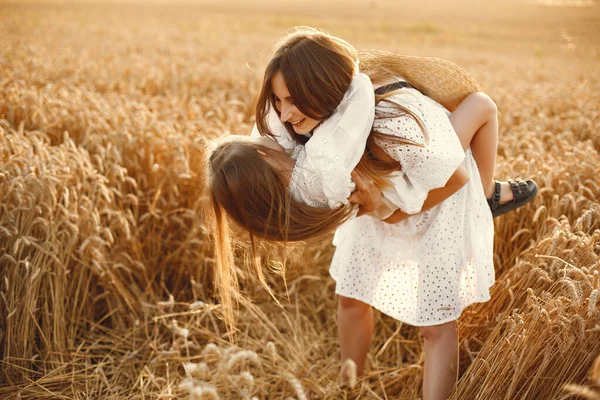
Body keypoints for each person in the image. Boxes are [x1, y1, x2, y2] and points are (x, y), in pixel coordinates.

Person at [207, 27, 537, 400]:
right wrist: (373, 206)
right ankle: (350, 388)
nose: (283, 113)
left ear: (321, 87)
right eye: (277, 101)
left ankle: (489, 195)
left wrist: (388, 211)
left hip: (441, 197)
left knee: (435, 325)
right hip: (380, 197)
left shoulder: (392, 120)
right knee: (351, 295)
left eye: (290, 99)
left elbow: (456, 172)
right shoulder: (305, 131)